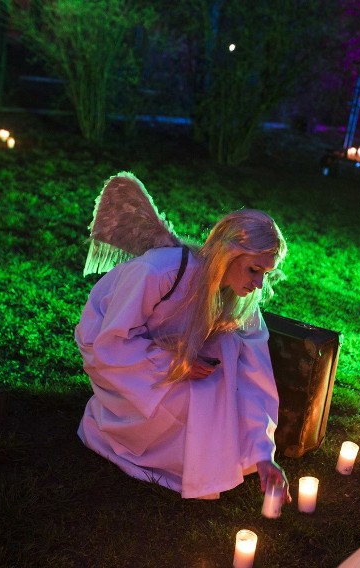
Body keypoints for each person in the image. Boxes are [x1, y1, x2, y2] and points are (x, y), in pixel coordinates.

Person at [75, 172, 291, 501]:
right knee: (199, 398)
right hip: (118, 359)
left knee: (229, 355)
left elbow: (254, 376)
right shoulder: (159, 272)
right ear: (229, 255)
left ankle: (198, 456)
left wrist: (264, 454)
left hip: (172, 351)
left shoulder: (241, 301)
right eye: (254, 270)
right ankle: (123, 436)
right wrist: (173, 364)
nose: (258, 285)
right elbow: (110, 344)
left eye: (266, 274)